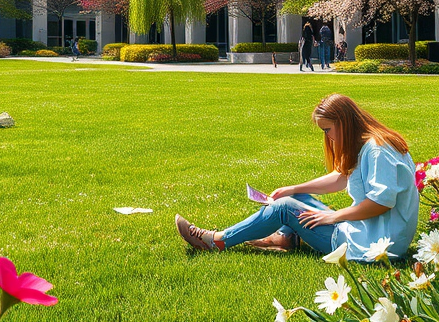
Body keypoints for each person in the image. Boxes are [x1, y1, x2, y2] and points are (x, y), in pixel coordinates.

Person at [175, 94, 419, 263]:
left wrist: (333, 216)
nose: (329, 138)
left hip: (372, 245)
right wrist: (293, 188)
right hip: (364, 233)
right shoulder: (369, 144)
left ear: (344, 123)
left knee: (284, 208)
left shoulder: (378, 150)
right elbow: (341, 177)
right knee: (292, 198)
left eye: (328, 130)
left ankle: (216, 241)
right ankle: (285, 238)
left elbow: (382, 202)